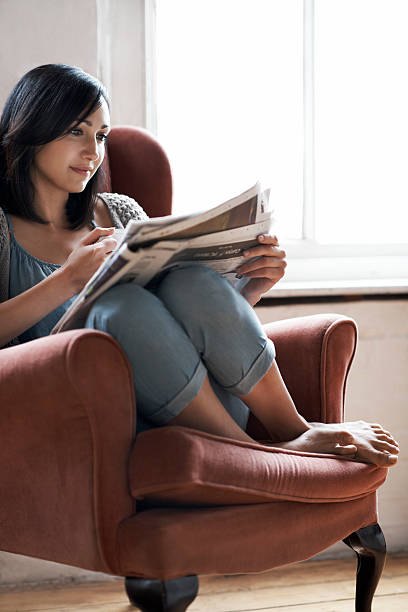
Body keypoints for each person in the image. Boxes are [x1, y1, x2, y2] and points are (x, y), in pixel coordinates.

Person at [0, 64, 399, 467]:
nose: (93, 152)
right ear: (30, 127)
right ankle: (253, 456)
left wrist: (250, 291)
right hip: (91, 411)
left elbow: (166, 329)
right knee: (119, 305)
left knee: (190, 279)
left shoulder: (120, 212)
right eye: (76, 131)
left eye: (101, 135)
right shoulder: (3, 230)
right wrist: (70, 279)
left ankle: (294, 432)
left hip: (186, 406)